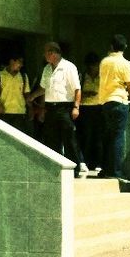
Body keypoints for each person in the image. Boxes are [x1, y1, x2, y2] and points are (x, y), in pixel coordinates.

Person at [28, 42, 85, 173]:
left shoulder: (69, 67)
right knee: (52, 139)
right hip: (50, 108)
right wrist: (32, 96)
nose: (44, 55)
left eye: (46, 52)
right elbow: (43, 88)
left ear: (52, 53)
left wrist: (76, 107)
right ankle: (56, 169)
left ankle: (74, 169)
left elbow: (77, 89)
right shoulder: (47, 69)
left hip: (65, 108)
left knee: (69, 139)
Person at [98, 34, 130, 182]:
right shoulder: (125, 64)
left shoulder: (104, 62)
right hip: (119, 101)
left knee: (108, 137)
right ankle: (115, 171)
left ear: (111, 46)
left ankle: (104, 169)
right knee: (118, 137)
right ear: (125, 47)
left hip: (105, 102)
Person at [0, 54, 31, 134]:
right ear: (12, 61)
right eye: (20, 62)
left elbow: (27, 93)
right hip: (3, 113)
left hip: (19, 113)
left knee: (18, 138)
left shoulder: (23, 76)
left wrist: (31, 108)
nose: (21, 65)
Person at [78, 53, 103, 172]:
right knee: (86, 136)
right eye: (90, 65)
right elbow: (75, 92)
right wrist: (86, 94)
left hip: (99, 108)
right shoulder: (82, 76)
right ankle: (85, 161)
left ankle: (98, 162)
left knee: (98, 137)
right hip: (85, 108)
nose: (93, 68)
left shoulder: (102, 77)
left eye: (94, 65)